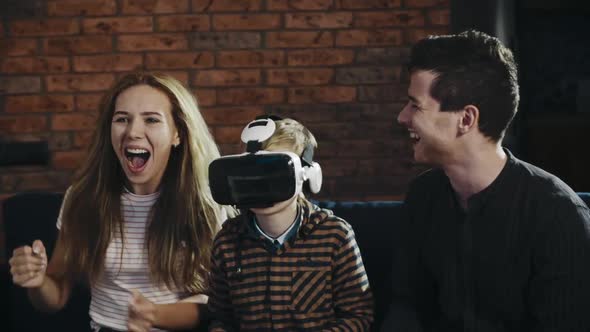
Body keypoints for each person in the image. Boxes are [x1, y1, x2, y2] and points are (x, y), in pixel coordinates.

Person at [381, 30, 590, 331]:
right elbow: (407, 307)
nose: (402, 117)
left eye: (415, 105)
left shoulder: (558, 215)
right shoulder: (423, 195)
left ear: (466, 119)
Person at [8, 72, 228, 332]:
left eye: (151, 120)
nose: (133, 131)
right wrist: (37, 282)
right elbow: (54, 297)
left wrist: (154, 315)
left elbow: (215, 304)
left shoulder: (206, 204)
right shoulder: (83, 199)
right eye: (122, 119)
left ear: (177, 134)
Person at [207, 117, 374, 331]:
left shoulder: (335, 235)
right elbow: (219, 317)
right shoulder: (227, 241)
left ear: (307, 175)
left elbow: (358, 316)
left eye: (275, 173)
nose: (262, 186)